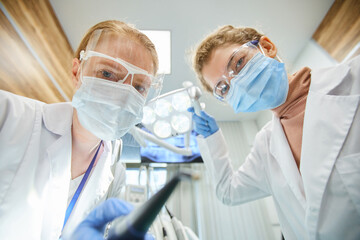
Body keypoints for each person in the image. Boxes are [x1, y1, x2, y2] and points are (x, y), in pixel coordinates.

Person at [188, 25, 360, 240]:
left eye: (238, 63)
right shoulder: (265, 144)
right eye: (224, 88)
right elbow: (228, 192)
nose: (237, 83)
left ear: (266, 47)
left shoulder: (354, 81)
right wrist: (211, 138)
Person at [0, 20, 162, 239]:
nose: (122, 96)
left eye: (139, 87)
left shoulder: (116, 174)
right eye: (107, 74)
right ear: (77, 72)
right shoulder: (9, 116)